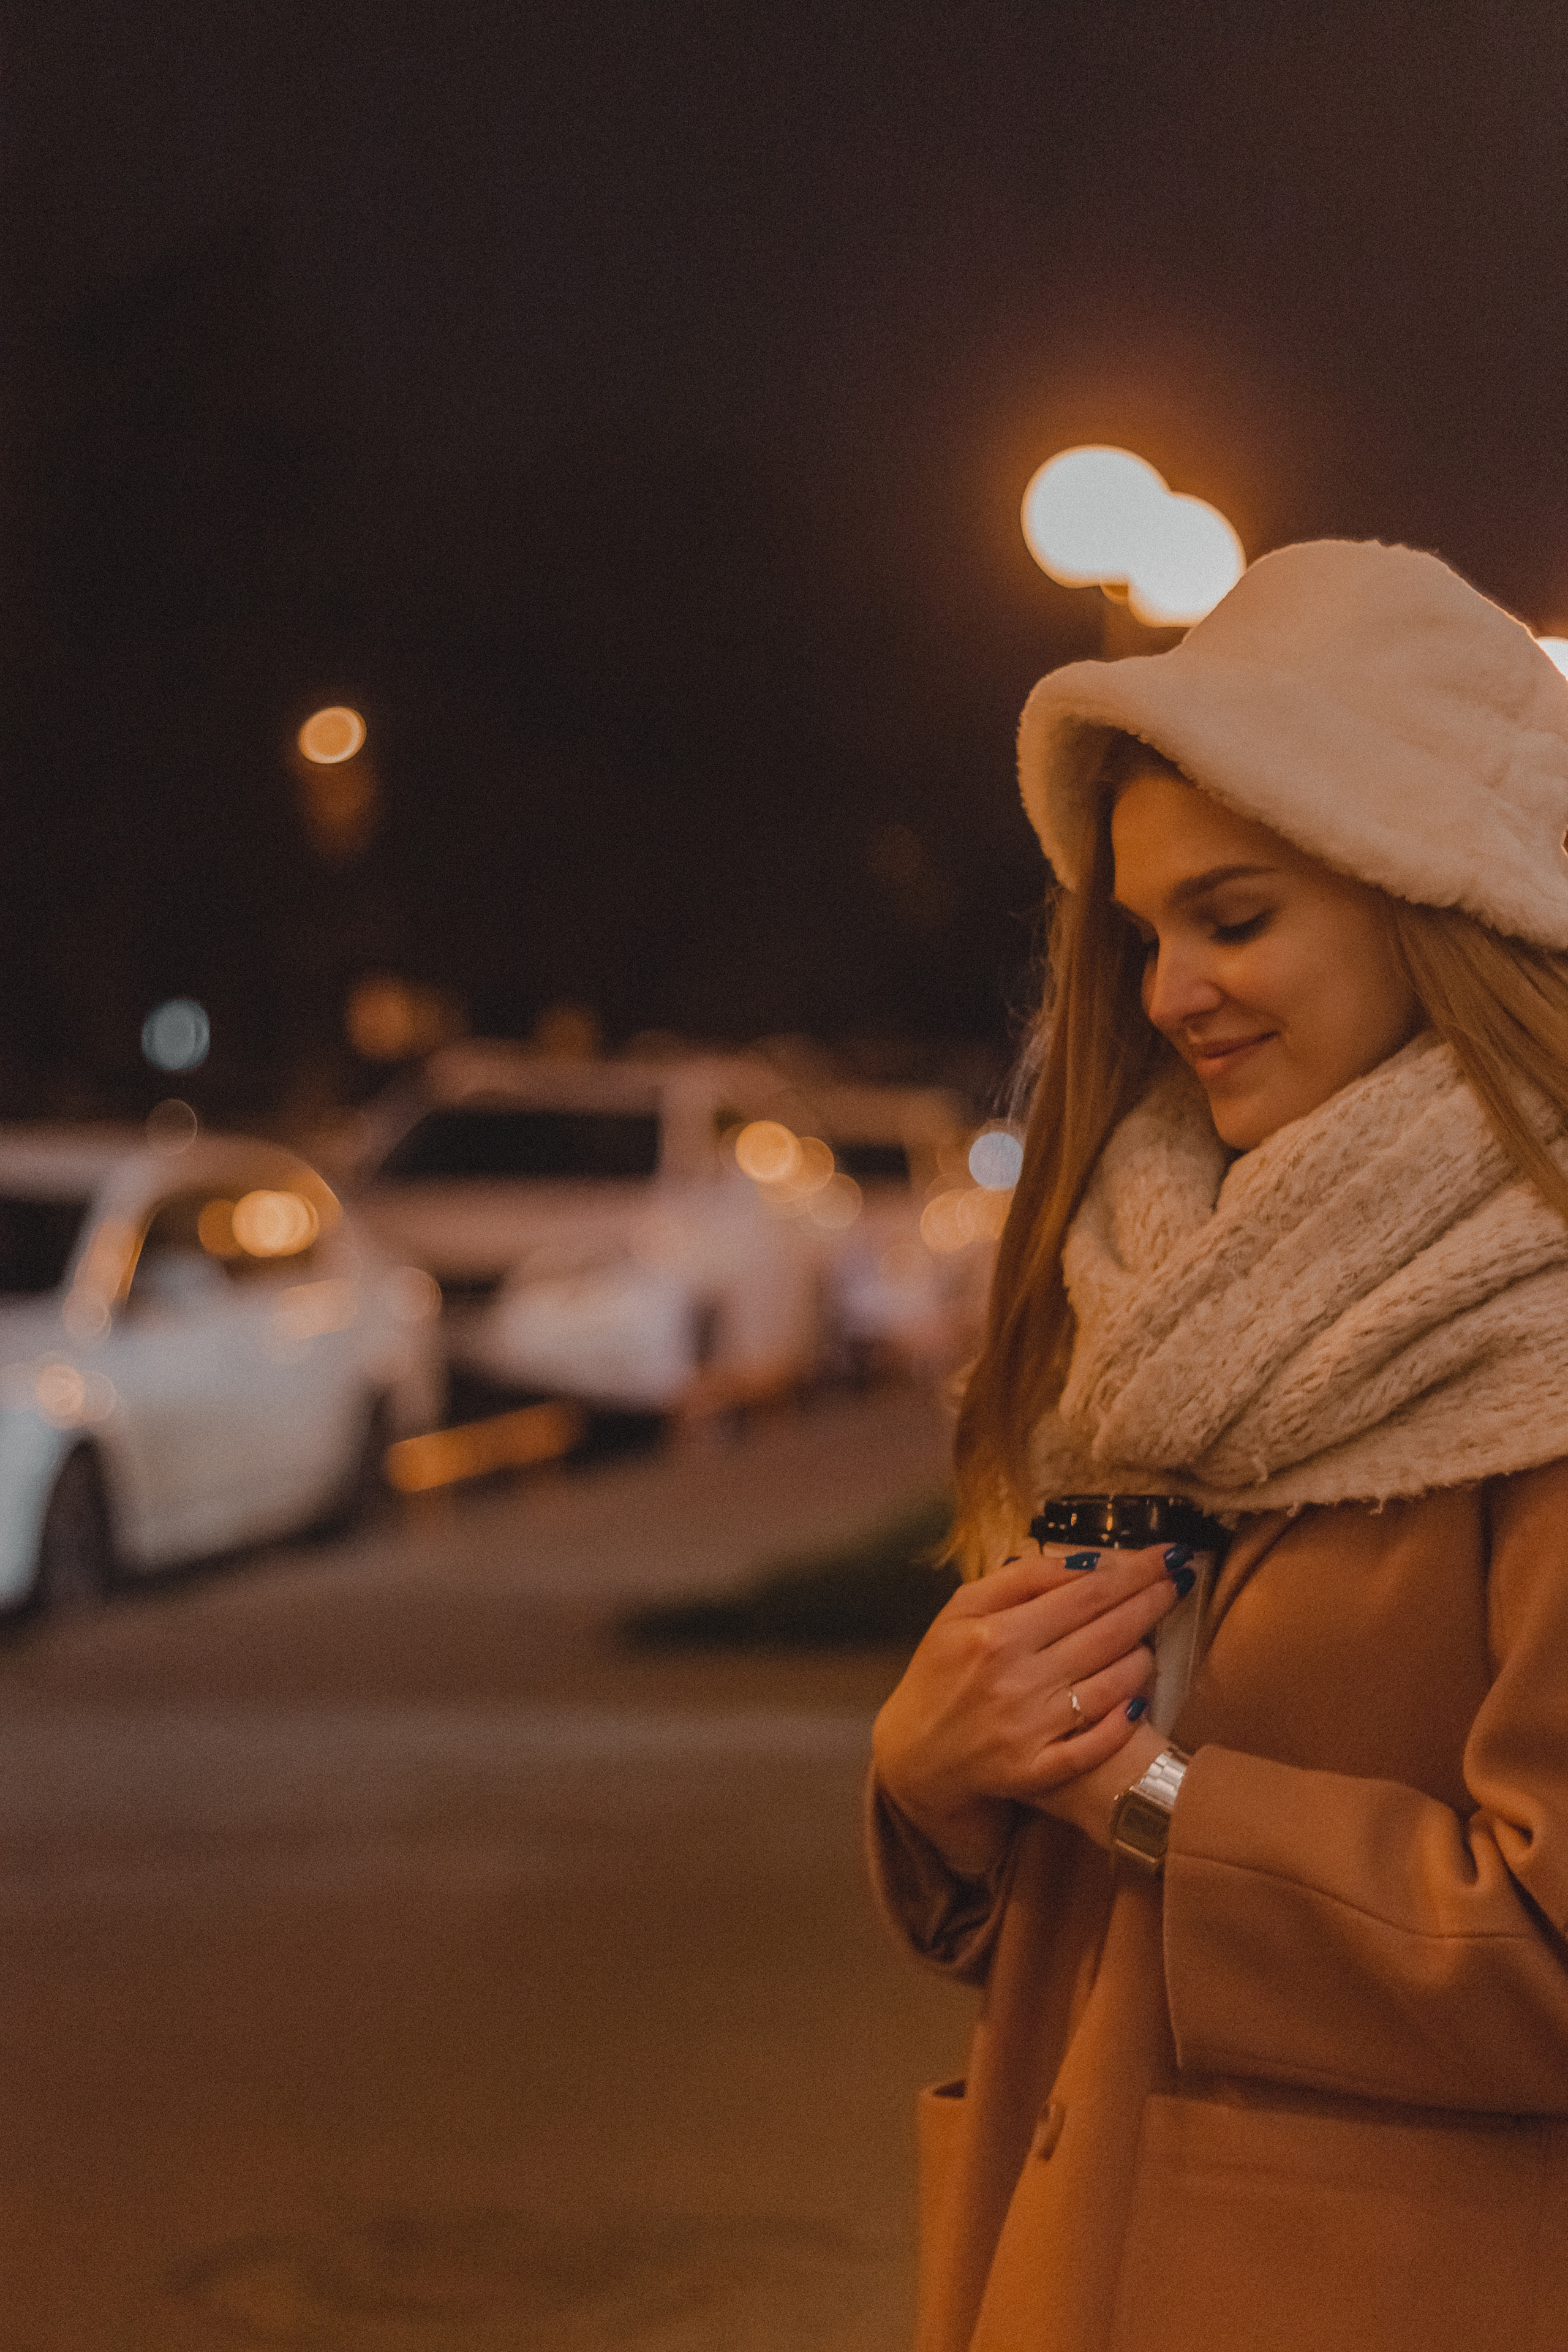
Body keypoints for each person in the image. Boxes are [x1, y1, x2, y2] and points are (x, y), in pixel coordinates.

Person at [868, 538, 1568, 2352]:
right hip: (1078, 2252)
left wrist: (1152, 1798)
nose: (1172, 990)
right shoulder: (1164, 1300)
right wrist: (941, 1786)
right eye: (1144, 932)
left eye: (1234, 916)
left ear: (1432, 896)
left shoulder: (1546, 1338)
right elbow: (1091, 1913)